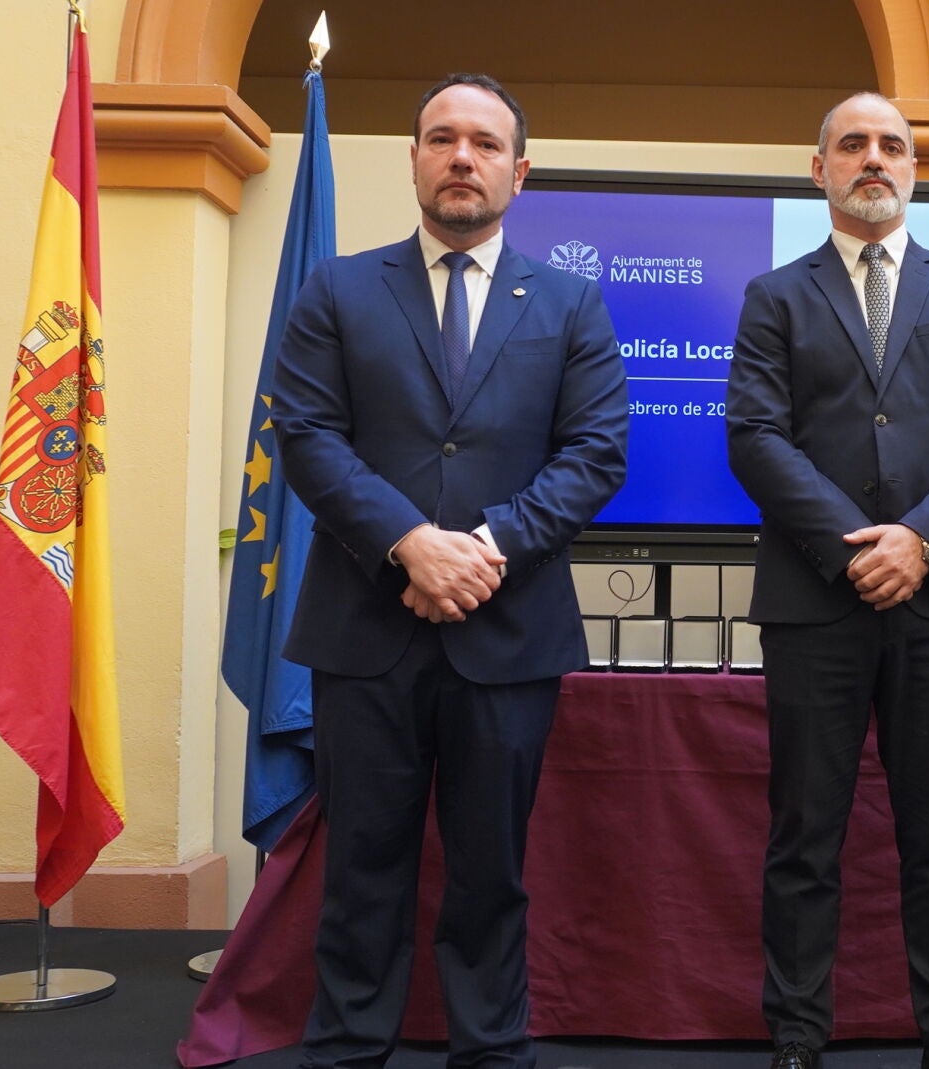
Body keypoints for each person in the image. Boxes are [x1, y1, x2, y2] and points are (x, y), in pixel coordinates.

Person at [272, 73, 628, 1069]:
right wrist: (409, 542)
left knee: (491, 877)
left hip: (507, 634)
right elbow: (307, 435)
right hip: (365, 629)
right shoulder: (337, 289)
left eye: (484, 142)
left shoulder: (570, 302)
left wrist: (484, 547)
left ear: (520, 171)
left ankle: (490, 1053)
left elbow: (596, 451)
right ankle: (348, 1050)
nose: (461, 157)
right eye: (441, 138)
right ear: (414, 159)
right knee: (361, 869)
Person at [726, 91, 929, 1069]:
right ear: (819, 170)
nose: (873, 158)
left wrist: (922, 540)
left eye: (892, 145)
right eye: (852, 144)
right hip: (814, 599)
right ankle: (796, 1033)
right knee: (804, 830)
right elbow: (755, 437)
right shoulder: (774, 296)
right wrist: (857, 547)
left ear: (913, 169)